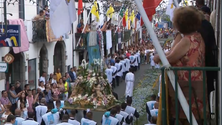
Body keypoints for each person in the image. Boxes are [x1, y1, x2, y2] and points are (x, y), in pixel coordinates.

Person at [154, 7, 206, 124]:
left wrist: (158, 57)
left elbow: (171, 57)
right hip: (196, 82)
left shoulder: (187, 40)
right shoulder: (197, 36)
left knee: (186, 117)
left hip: (187, 85)